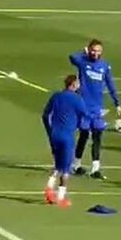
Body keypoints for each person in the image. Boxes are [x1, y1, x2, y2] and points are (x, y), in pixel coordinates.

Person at [68, 39, 121, 180]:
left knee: (98, 136)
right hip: (83, 106)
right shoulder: (83, 62)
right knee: (84, 135)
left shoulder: (104, 66)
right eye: (93, 50)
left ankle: (95, 168)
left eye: (98, 51)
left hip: (97, 108)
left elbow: (110, 84)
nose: (95, 53)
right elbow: (72, 57)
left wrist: (117, 103)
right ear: (89, 50)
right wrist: (83, 53)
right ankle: (76, 165)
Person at [42, 75, 88, 208]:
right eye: (78, 83)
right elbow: (85, 114)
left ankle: (49, 188)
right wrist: (99, 115)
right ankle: (61, 198)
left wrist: (50, 131)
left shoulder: (56, 96)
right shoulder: (77, 99)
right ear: (73, 84)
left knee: (57, 165)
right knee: (66, 169)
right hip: (67, 137)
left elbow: (45, 115)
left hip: (55, 135)